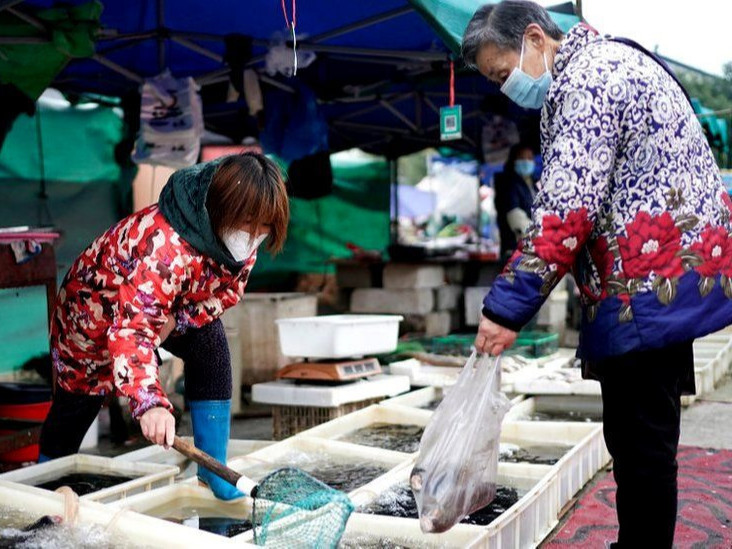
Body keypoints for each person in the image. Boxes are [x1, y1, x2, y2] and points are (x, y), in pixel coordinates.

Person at [462, 2, 732, 547]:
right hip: (664, 282)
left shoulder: (587, 80)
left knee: (641, 441)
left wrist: (504, 308)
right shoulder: (614, 61)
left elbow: (567, 209)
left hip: (646, 287)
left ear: (535, 38)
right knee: (642, 436)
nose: (504, 87)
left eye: (501, 73)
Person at [39, 153, 289, 500]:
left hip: (163, 309)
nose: (254, 236)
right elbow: (132, 330)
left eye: (265, 227)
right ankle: (47, 481)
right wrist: (150, 403)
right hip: (91, 315)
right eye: (249, 223)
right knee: (80, 400)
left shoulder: (241, 242)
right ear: (221, 209)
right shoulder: (165, 249)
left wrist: (179, 319)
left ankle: (214, 472)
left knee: (211, 344)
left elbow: (229, 292)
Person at [494, 142, 538, 263]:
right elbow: (515, 217)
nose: (526, 162)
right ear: (514, 161)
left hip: (531, 248)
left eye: (529, 158)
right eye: (522, 158)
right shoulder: (510, 185)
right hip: (515, 250)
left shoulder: (532, 185)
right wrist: (539, 236)